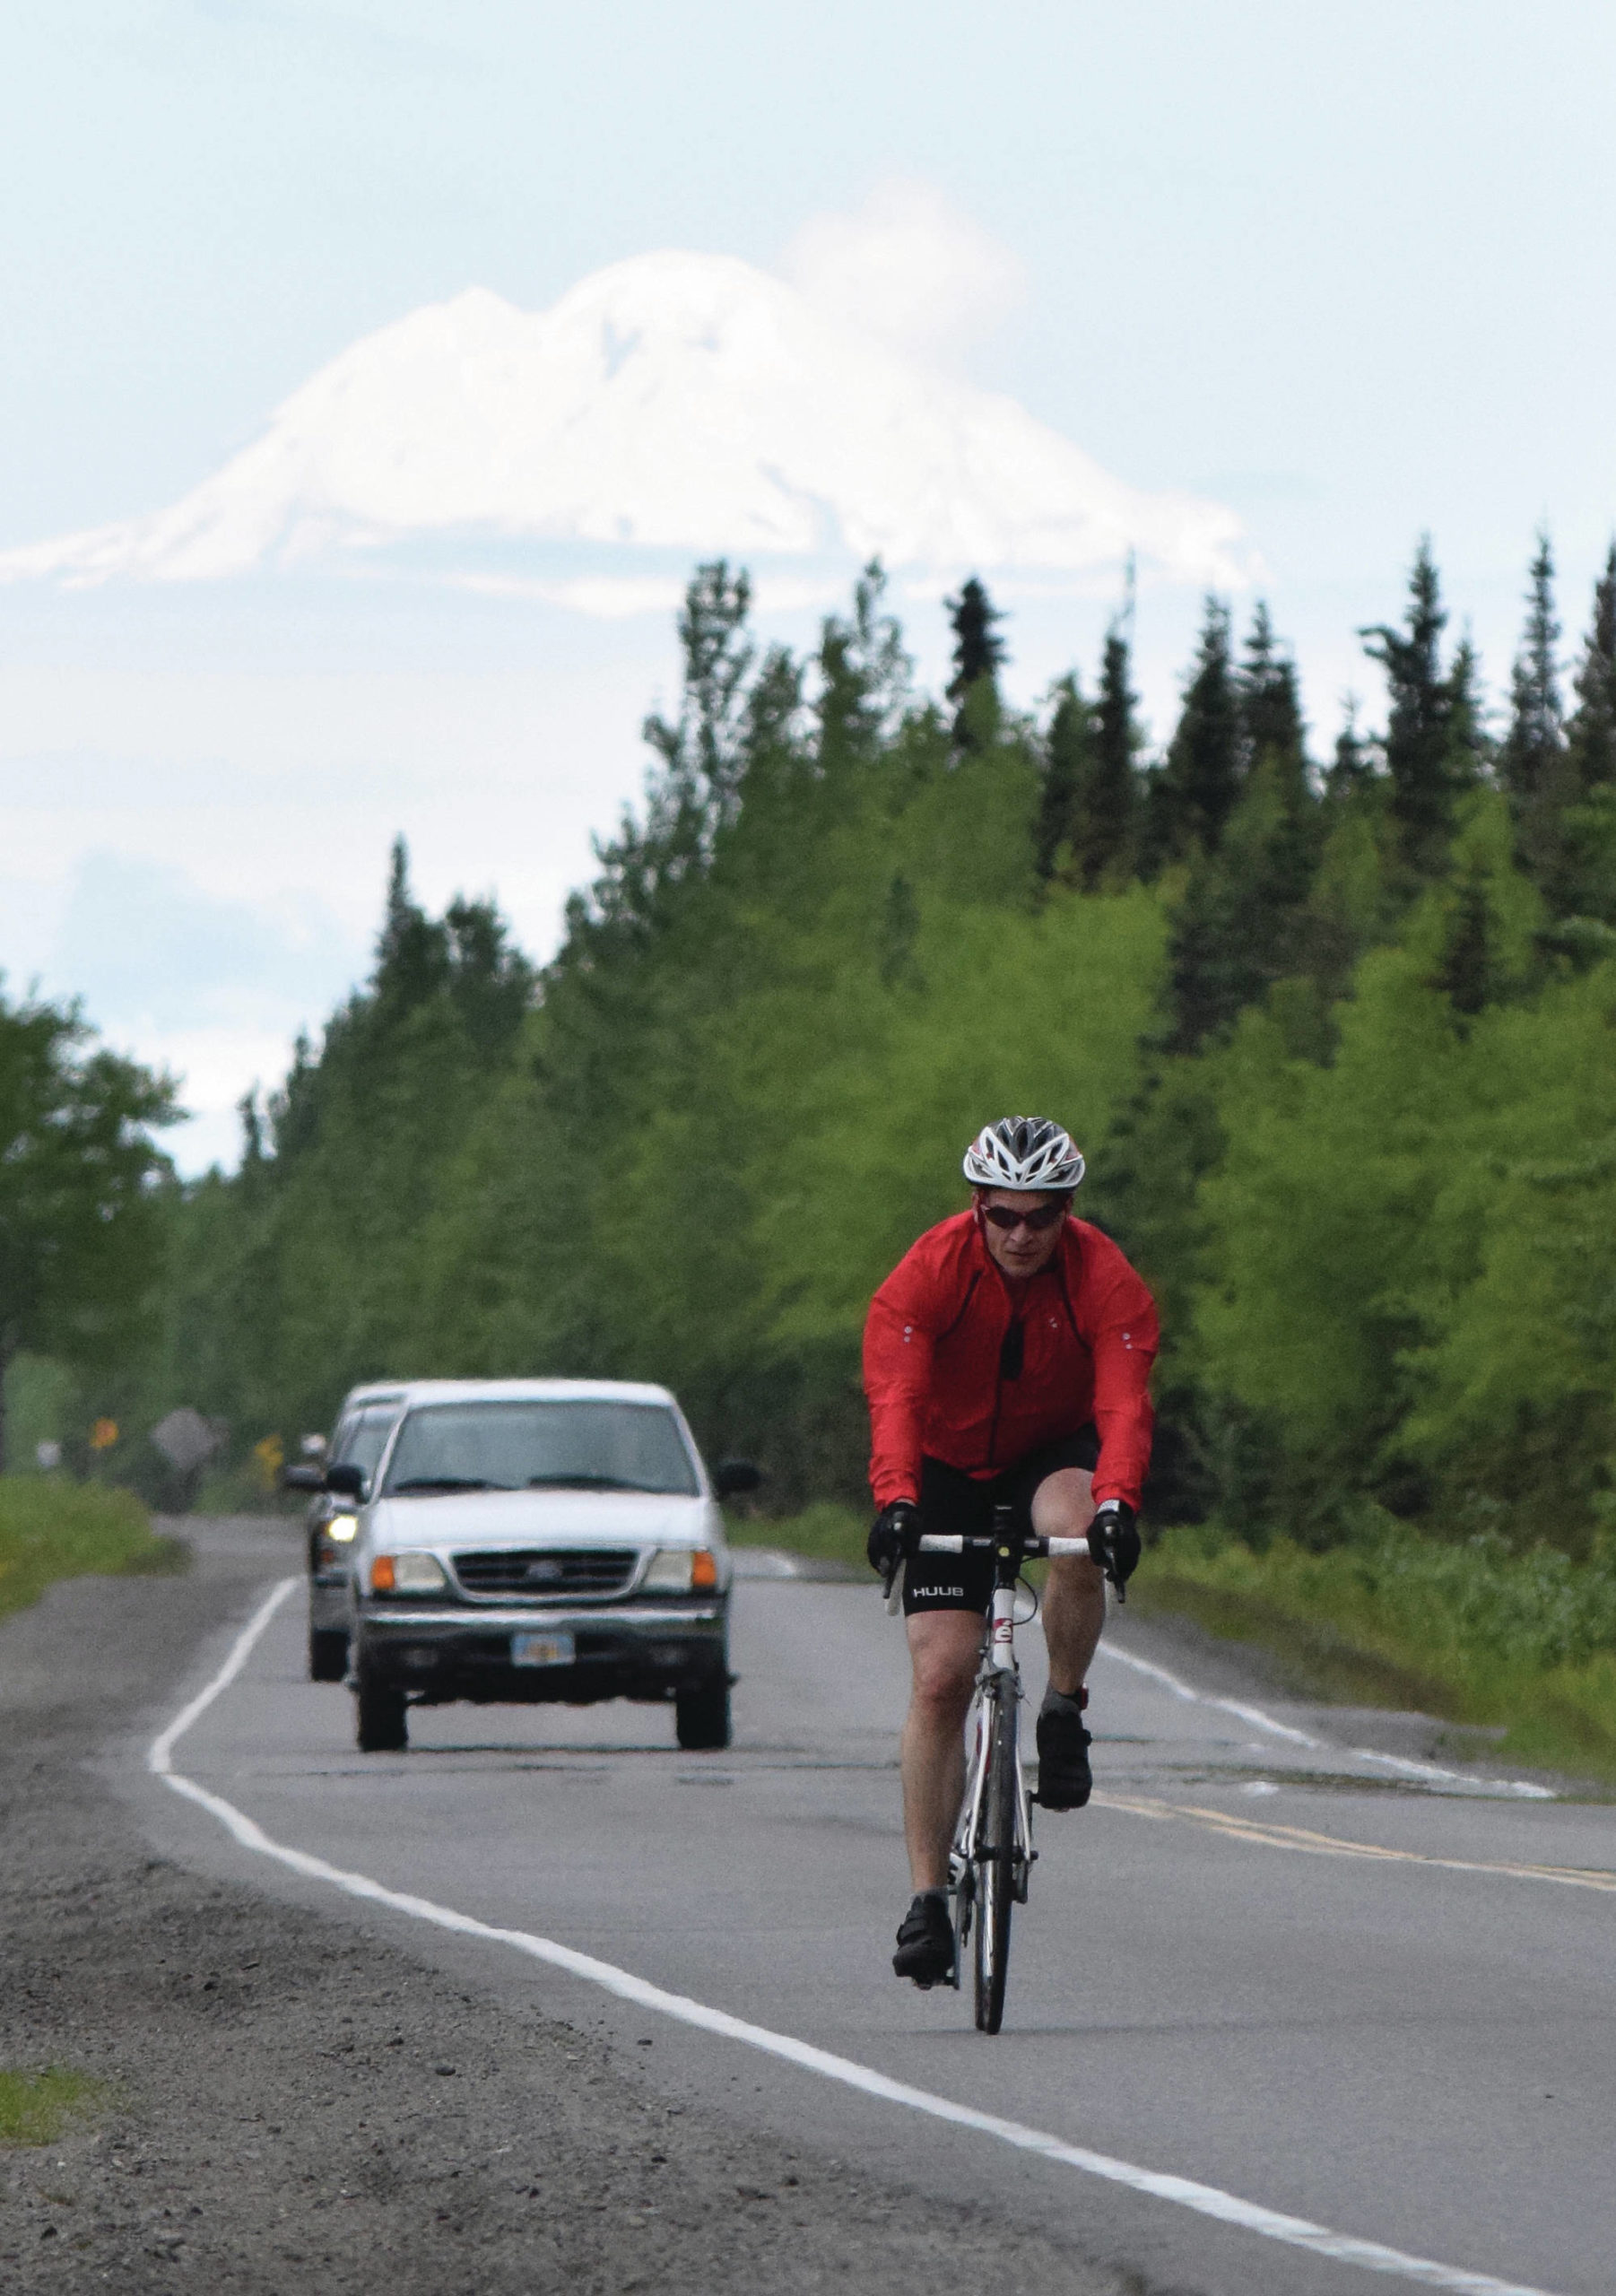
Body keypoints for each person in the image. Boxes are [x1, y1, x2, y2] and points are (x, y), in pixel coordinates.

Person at [863, 1116, 1158, 1987]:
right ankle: (924, 1901)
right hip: (944, 1462)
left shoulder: (1105, 1278)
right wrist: (896, 1502)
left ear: (1067, 1210)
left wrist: (1116, 1507)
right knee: (942, 1676)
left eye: (1040, 1216)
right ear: (976, 1207)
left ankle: (1062, 1708)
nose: (1020, 1235)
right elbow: (897, 1397)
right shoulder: (926, 1274)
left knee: (1075, 1528)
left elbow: (1122, 1408)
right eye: (1002, 1216)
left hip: (1046, 1449)